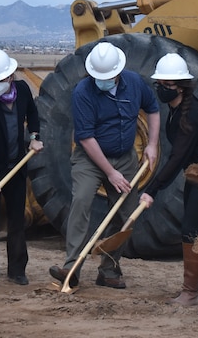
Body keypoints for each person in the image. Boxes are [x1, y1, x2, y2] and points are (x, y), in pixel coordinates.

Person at [49, 41, 159, 289]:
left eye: (108, 76)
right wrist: (110, 173)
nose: (103, 80)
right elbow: (86, 138)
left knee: (127, 214)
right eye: (98, 76)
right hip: (90, 159)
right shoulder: (82, 93)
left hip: (125, 157)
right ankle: (71, 266)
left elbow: (153, 109)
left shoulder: (134, 83)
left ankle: (109, 269)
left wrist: (152, 144)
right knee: (82, 202)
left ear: (118, 73)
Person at [140, 53, 198, 307]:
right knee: (197, 226)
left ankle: (190, 292)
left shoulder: (190, 115)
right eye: (160, 84)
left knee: (190, 228)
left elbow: (177, 158)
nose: (162, 89)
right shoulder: (177, 109)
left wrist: (152, 190)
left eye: (167, 86)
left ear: (180, 87)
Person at [0, 48, 44, 288]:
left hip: (17, 166)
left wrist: (34, 136)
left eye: (0, 80)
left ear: (10, 76)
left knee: (16, 220)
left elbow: (33, 115)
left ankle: (17, 270)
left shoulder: (23, 90)